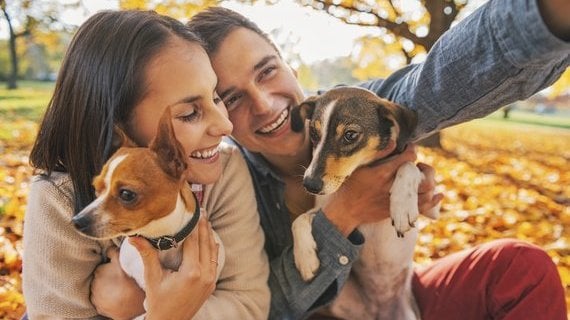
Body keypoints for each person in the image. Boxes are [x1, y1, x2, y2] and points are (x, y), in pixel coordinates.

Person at [184, 0, 569, 319]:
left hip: (401, 291)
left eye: (267, 71)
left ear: (290, 65)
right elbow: (263, 307)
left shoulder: (359, 108)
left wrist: (543, 15)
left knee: (521, 267)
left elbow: (438, 80)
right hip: (329, 312)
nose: (265, 105)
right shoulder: (227, 183)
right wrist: (344, 215)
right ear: (214, 111)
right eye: (232, 98)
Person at [23, 10, 269, 320]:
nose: (225, 126)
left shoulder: (223, 170)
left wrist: (152, 307)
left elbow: (249, 304)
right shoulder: (59, 198)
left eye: (216, 97)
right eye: (189, 113)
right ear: (115, 130)